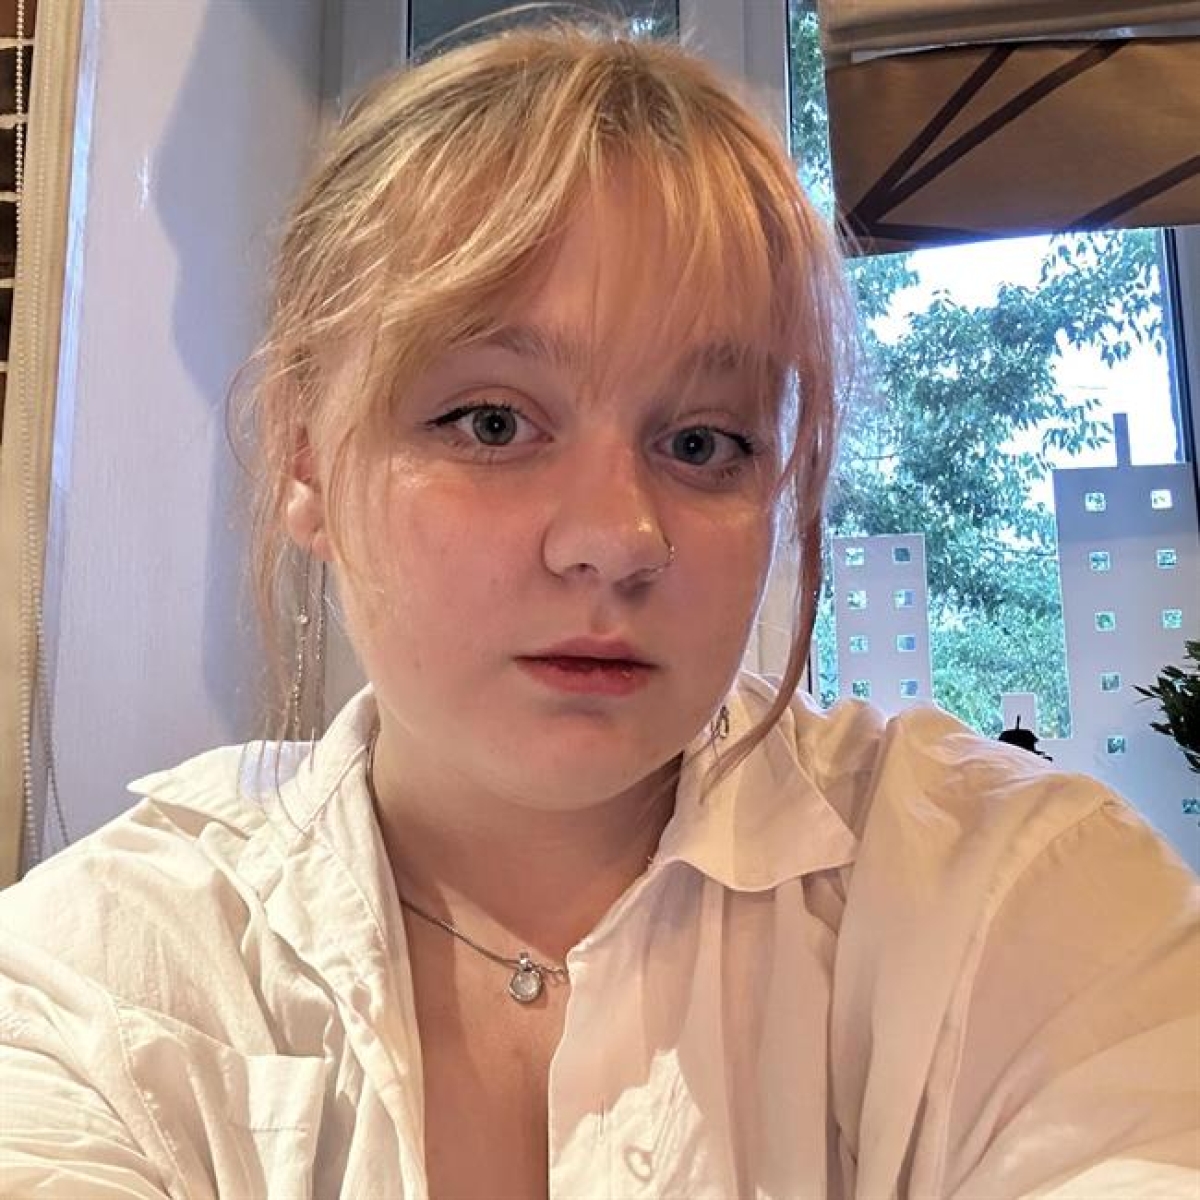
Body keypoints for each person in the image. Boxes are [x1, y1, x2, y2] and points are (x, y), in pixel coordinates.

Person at [0, 16, 1196, 1200]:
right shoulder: (101, 981)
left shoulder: (1017, 902)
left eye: (703, 441)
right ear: (305, 460)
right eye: (491, 423)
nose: (619, 540)